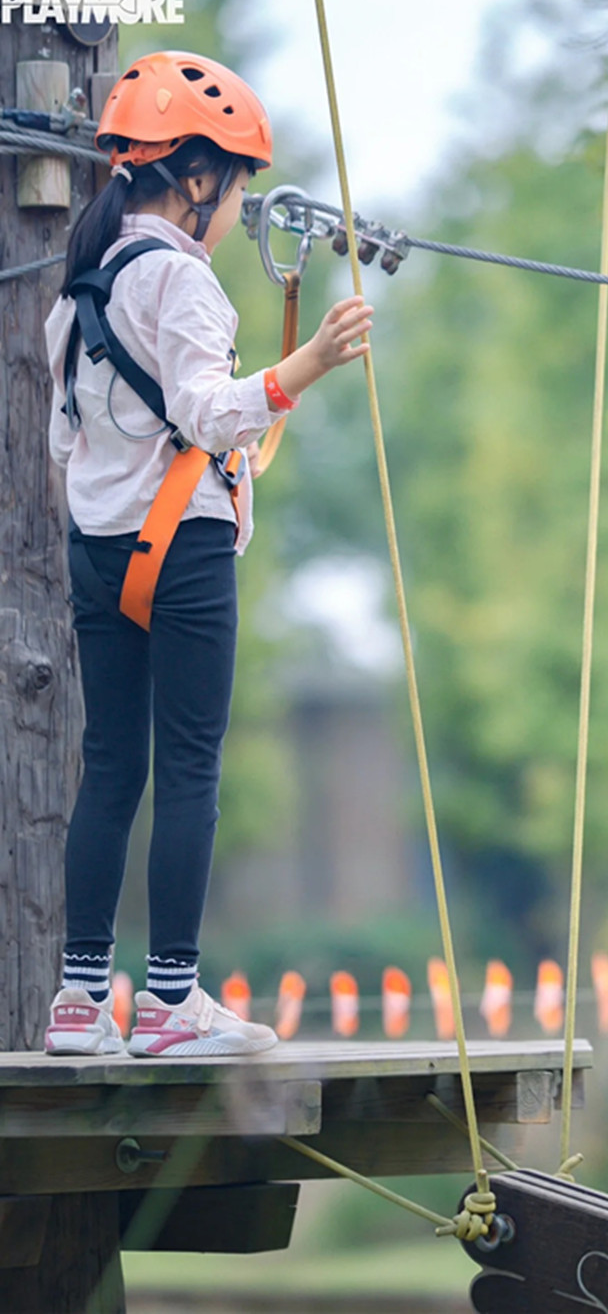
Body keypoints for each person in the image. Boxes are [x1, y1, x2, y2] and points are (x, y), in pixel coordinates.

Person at [43, 51, 373, 1059]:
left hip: (99, 553)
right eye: (233, 189)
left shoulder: (75, 294)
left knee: (110, 767)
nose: (235, 211)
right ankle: (174, 1000)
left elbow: (68, 443)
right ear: (195, 179)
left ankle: (79, 997)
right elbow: (205, 410)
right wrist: (303, 366)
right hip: (180, 550)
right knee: (189, 766)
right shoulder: (181, 284)